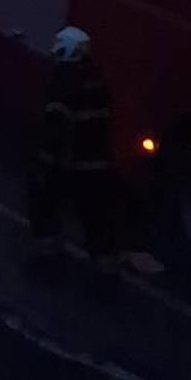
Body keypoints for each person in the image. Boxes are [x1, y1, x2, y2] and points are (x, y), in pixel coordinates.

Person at [27, 25, 121, 294]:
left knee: (42, 209)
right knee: (97, 223)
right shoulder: (97, 82)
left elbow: (54, 133)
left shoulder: (63, 84)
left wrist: (43, 168)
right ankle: (107, 279)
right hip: (98, 167)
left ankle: (48, 263)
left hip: (68, 166)